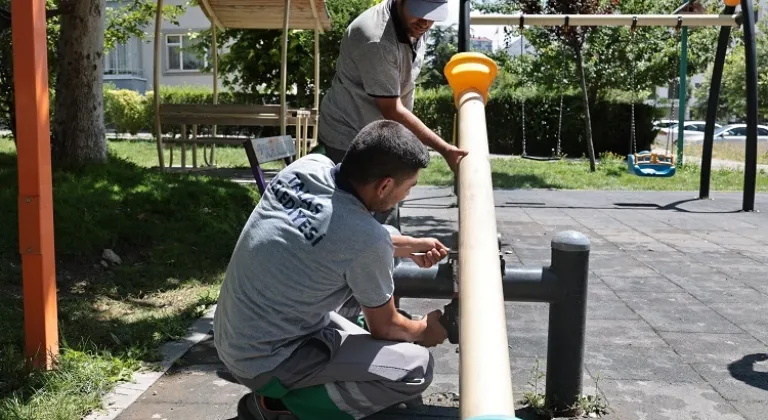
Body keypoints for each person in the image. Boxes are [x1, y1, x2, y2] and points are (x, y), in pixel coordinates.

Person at [214, 120, 451, 420]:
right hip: (266, 362)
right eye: (409, 188)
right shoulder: (367, 242)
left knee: (378, 247)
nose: (406, 196)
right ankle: (280, 408)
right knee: (416, 366)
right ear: (385, 185)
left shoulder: (308, 167)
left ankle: (322, 376)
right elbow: (387, 326)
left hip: (233, 336)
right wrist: (426, 329)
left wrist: (411, 244)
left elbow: (340, 231)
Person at [315, 0, 467, 173]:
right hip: (348, 135)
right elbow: (392, 109)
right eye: (420, 12)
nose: (425, 23)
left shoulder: (415, 26)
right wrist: (444, 149)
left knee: (386, 192)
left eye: (432, 15)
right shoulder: (376, 39)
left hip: (380, 133)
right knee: (357, 196)